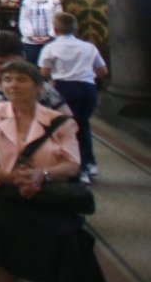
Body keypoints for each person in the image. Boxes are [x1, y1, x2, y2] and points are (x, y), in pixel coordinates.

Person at [0, 60, 107, 282]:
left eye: (21, 79)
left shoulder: (60, 122)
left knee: (64, 235)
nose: (13, 85)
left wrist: (40, 175)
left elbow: (72, 164)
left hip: (47, 193)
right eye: (7, 80)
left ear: (38, 87)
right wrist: (12, 179)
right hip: (2, 189)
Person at [39, 12, 108, 180]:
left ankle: (77, 168)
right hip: (87, 88)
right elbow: (103, 71)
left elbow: (44, 73)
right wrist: (85, 74)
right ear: (75, 29)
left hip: (64, 88)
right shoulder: (89, 47)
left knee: (66, 128)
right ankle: (89, 163)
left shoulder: (51, 48)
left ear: (55, 29)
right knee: (83, 124)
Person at [19, 0, 62, 64]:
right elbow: (24, 19)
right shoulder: (27, 2)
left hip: (50, 40)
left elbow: (58, 18)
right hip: (32, 41)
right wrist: (30, 36)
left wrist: (50, 36)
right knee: (33, 63)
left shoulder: (54, 1)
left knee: (49, 63)